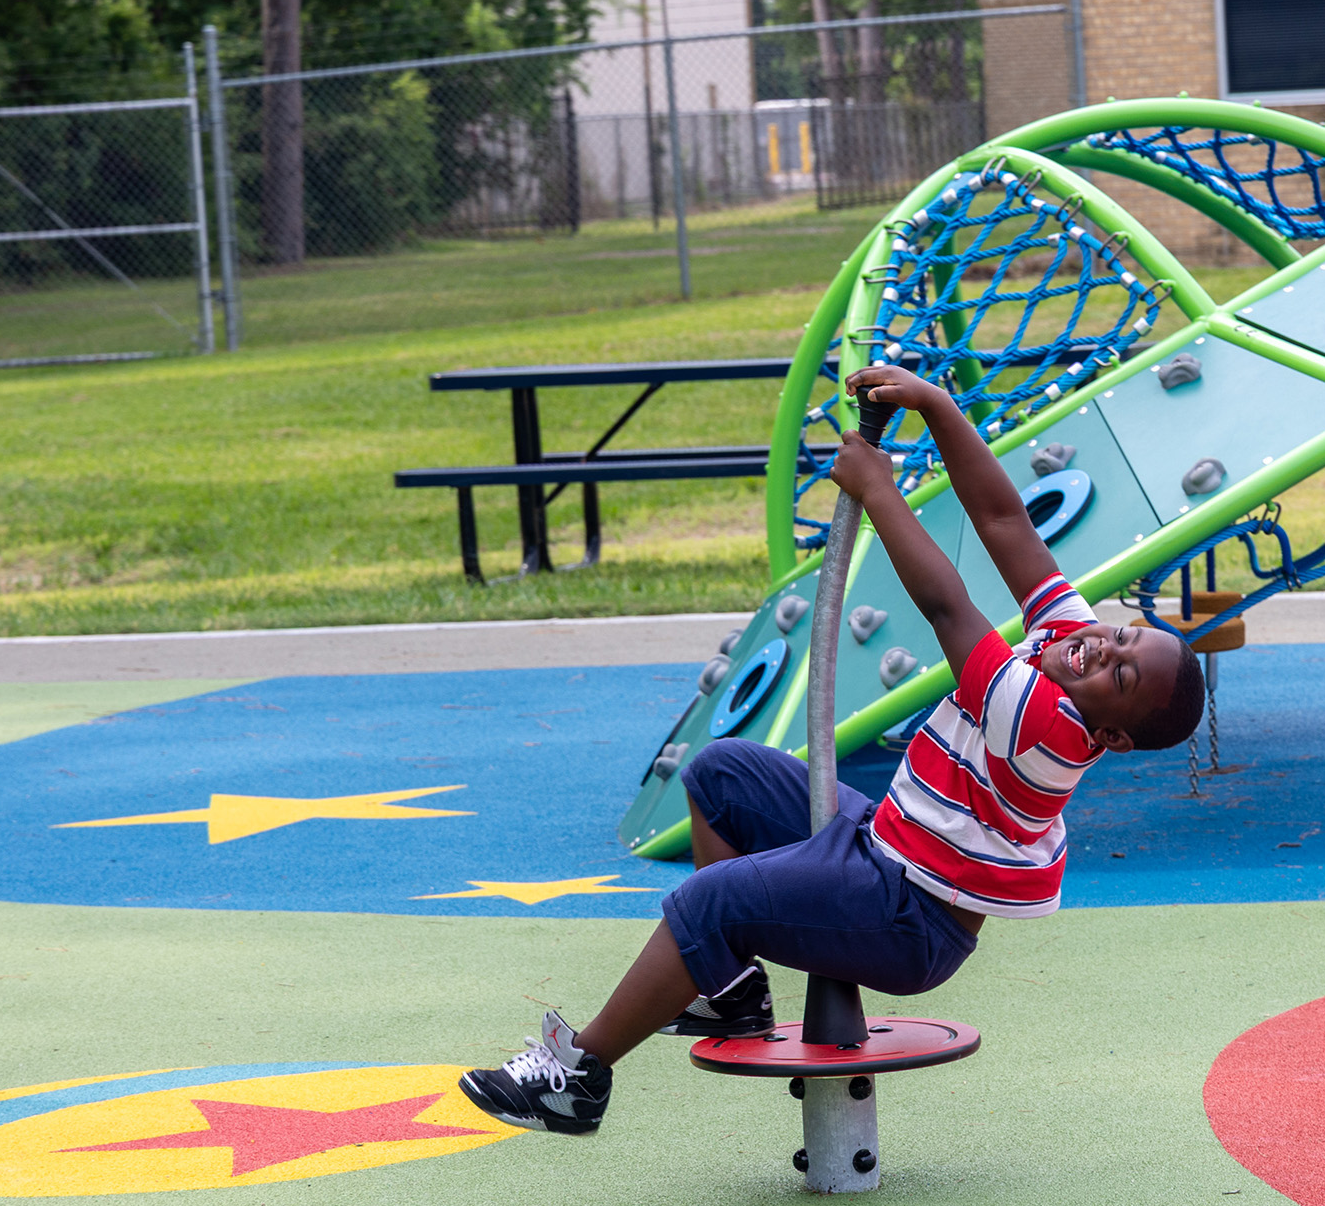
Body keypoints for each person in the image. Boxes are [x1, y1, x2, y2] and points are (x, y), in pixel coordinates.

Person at [459, 364, 1205, 1134]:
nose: (1104, 649)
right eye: (1124, 636)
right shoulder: (1069, 640)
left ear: (1110, 734)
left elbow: (947, 606)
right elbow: (1004, 520)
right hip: (886, 840)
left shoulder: (1044, 725)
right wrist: (937, 406)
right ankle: (732, 991)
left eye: (1120, 676)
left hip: (911, 916)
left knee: (714, 901)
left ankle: (579, 1079)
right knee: (721, 776)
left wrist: (879, 491)